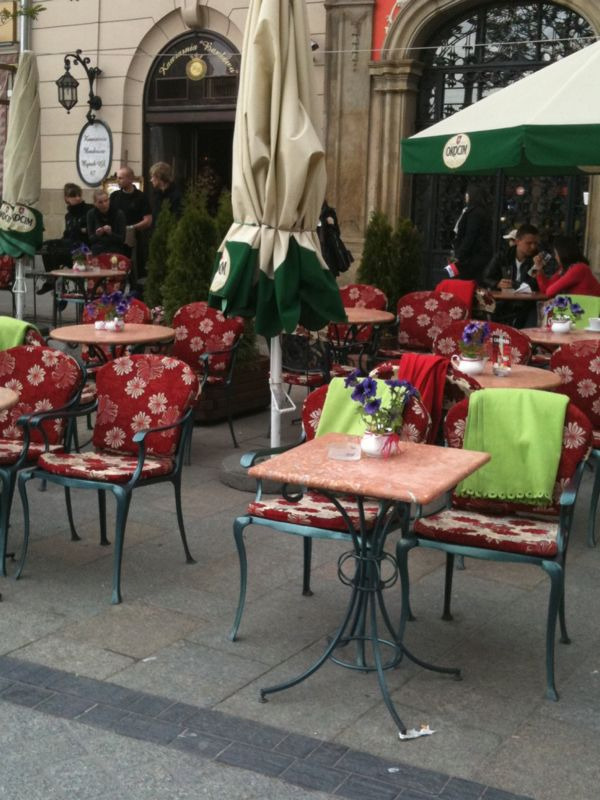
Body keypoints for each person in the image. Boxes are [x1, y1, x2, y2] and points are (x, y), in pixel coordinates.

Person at [37, 183, 93, 294]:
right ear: (66, 198)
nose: (78, 198)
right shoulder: (68, 215)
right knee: (47, 246)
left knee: (54, 247)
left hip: (83, 249)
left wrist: (82, 230)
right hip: (71, 247)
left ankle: (55, 283)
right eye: (73, 195)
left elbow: (89, 232)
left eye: (79, 195)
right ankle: (53, 281)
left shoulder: (89, 210)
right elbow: (67, 234)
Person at [482, 223, 541, 327]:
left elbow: (536, 284)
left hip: (527, 304)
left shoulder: (538, 259)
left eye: (535, 243)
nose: (533, 247)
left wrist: (539, 268)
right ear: (517, 241)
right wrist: (497, 284)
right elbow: (486, 277)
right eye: (529, 243)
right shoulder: (502, 256)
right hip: (504, 302)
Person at [109, 166, 152, 281]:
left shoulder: (141, 197)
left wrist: (131, 228)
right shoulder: (114, 196)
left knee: (134, 271)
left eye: (120, 178)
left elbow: (148, 220)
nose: (118, 181)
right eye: (117, 178)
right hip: (117, 240)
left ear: (130, 179)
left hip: (135, 240)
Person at [531, 235, 600, 297]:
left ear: (563, 253)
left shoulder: (579, 268)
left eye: (556, 253)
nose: (555, 257)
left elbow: (550, 291)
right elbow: (546, 289)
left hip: (590, 309)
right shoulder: (563, 269)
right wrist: (539, 269)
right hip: (579, 308)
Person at [450, 183, 493, 282]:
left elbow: (470, 236)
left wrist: (459, 255)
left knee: (457, 278)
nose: (466, 196)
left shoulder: (475, 213)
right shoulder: (475, 211)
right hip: (470, 256)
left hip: (469, 258)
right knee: (452, 274)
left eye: (467, 193)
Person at [317, 200, 353, 277]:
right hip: (317, 249)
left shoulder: (329, 213)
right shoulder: (311, 213)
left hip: (328, 251)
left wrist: (330, 225)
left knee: (329, 275)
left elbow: (337, 232)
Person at [86, 189, 127, 256]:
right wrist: (97, 234)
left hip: (115, 249)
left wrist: (110, 233)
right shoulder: (91, 214)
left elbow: (122, 239)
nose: (104, 204)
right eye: (100, 202)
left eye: (106, 201)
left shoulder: (119, 214)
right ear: (95, 203)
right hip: (98, 249)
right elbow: (91, 239)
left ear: (109, 200)